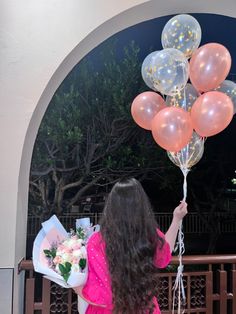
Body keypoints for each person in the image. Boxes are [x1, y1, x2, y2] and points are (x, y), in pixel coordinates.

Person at [74, 178, 187, 313]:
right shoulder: (150, 235)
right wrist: (176, 220)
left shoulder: (96, 241)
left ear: (111, 206)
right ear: (141, 205)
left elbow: (101, 296)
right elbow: (163, 258)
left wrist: (76, 288)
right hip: (144, 308)